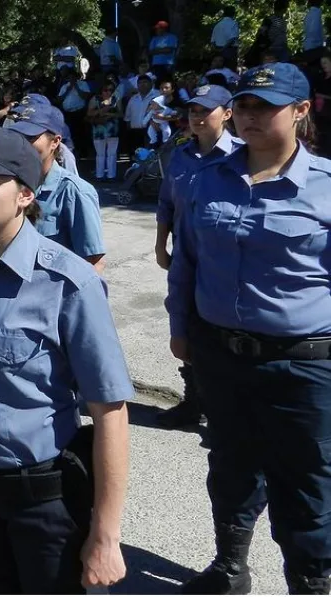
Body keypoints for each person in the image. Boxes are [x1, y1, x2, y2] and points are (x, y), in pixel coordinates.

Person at [0, 125, 130, 594]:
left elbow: (110, 411)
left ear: (23, 195)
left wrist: (106, 534)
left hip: (42, 502)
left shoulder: (67, 283)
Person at [166, 62, 331, 595]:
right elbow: (187, 261)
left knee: (307, 483)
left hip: (303, 365)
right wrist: (181, 327)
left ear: (302, 111)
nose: (250, 115)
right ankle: (229, 567)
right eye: (243, 105)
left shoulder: (326, 188)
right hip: (222, 355)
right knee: (231, 467)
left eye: (266, 106)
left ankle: (310, 582)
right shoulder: (206, 178)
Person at [154, 85, 240, 431]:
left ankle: (225, 408)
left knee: (222, 333)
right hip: (184, 258)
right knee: (185, 324)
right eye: (193, 111)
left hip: (223, 262)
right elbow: (166, 203)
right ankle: (194, 403)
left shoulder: (241, 156)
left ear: (227, 114)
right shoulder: (181, 155)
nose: (198, 117)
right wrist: (161, 245)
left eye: (206, 110)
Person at [9, 105, 107, 273]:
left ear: (55, 142)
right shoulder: (11, 185)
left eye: (30, 137)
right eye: (18, 136)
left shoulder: (74, 191)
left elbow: (94, 263)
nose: (22, 144)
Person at [87, 83, 122, 180]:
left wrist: (109, 114)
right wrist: (100, 111)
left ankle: (111, 176)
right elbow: (89, 113)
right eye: (106, 90)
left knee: (112, 153)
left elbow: (121, 114)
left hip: (113, 131)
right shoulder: (95, 99)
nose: (108, 92)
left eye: (111, 90)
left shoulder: (116, 99)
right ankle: (99, 175)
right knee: (100, 154)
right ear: (101, 90)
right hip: (99, 131)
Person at [56, 70, 92, 158]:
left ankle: (83, 152)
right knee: (70, 133)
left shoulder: (83, 84)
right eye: (69, 78)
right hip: (68, 113)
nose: (71, 79)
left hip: (79, 112)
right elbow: (59, 99)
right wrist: (68, 90)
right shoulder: (65, 86)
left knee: (81, 132)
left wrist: (76, 87)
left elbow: (85, 96)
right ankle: (72, 151)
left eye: (73, 77)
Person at [124, 75, 160, 157]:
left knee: (151, 157)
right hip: (135, 133)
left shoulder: (158, 95)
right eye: (139, 83)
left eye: (145, 82)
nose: (142, 85)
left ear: (151, 84)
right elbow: (127, 117)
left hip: (151, 132)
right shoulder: (133, 98)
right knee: (137, 159)